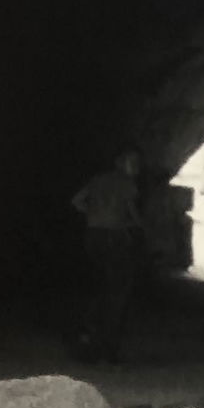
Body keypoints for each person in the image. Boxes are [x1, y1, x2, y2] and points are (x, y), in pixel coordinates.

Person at [70, 151, 145, 363]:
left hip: (92, 235)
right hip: (115, 237)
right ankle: (107, 344)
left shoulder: (97, 180)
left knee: (97, 284)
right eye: (134, 163)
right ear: (124, 164)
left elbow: (76, 201)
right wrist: (138, 227)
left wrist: (93, 213)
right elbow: (132, 213)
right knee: (118, 290)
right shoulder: (127, 184)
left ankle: (87, 334)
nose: (137, 167)